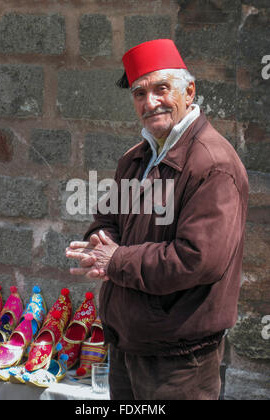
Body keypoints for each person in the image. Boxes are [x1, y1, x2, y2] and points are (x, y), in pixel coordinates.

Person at [66, 39, 249, 400]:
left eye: (161, 89)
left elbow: (196, 259)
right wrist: (98, 244)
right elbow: (108, 218)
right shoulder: (135, 158)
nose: (150, 103)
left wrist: (116, 259)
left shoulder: (213, 164)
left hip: (178, 358)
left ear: (189, 91)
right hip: (128, 343)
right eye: (139, 93)